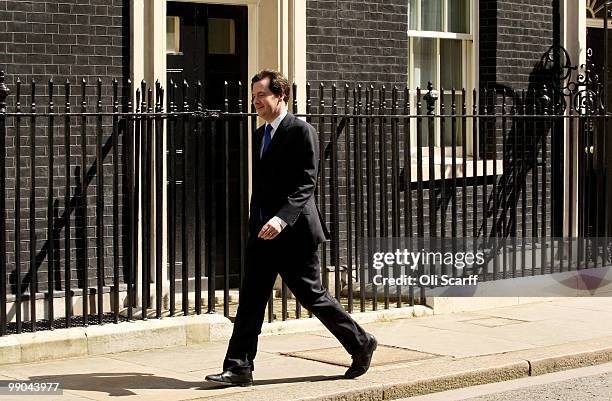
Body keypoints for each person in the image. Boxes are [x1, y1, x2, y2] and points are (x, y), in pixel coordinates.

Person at [205, 69, 377, 387]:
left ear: (280, 95)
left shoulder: (301, 131)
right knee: (251, 299)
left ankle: (361, 343)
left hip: (294, 231)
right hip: (262, 233)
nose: (255, 101)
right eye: (253, 96)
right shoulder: (259, 136)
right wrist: (256, 221)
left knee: (312, 295)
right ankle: (239, 367)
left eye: (261, 95)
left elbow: (306, 183)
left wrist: (281, 218)